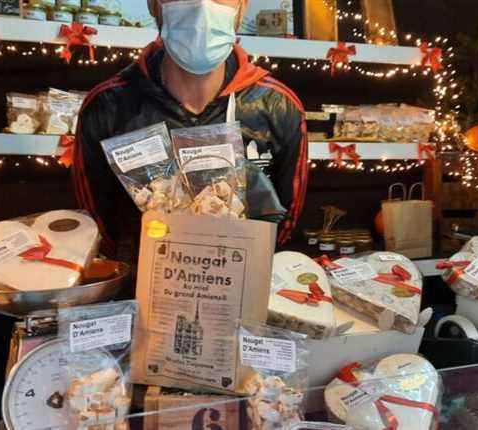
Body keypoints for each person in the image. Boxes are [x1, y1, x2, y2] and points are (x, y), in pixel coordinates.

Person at [72, 0, 308, 261]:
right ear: (154, 5)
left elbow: (285, 223)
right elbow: (97, 223)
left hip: (240, 288)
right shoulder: (109, 105)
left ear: (242, 7)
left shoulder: (278, 106)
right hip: (142, 291)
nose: (201, 7)